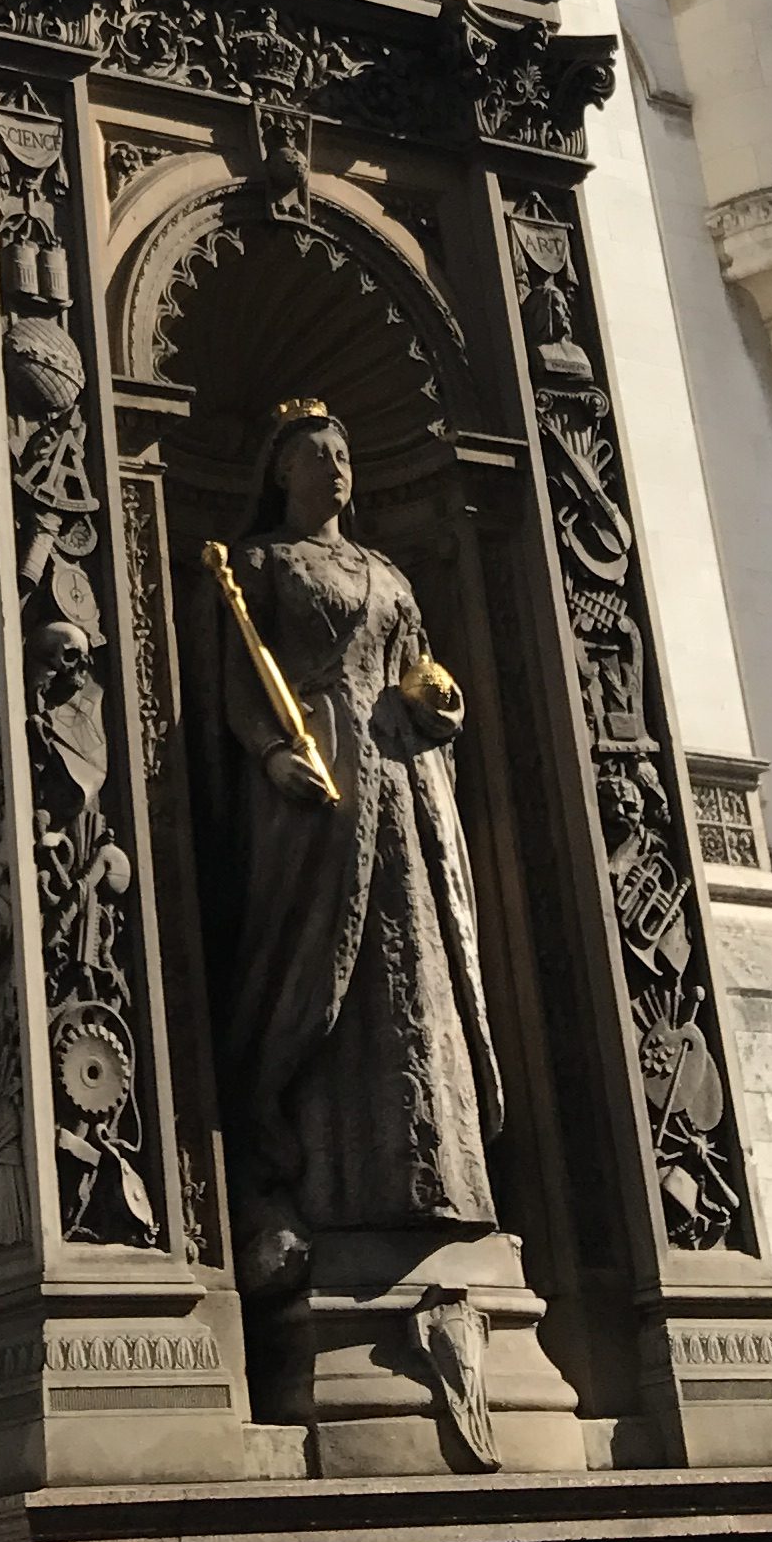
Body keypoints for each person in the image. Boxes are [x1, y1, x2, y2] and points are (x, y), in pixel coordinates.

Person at [195, 400, 502, 1291]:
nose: (335, 466)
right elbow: (238, 687)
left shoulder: (387, 572)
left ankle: (433, 1174)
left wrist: (436, 702)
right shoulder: (256, 564)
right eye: (315, 455)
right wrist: (271, 752)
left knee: (416, 960)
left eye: (343, 452)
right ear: (280, 472)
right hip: (312, 792)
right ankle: (310, 1175)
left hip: (402, 788)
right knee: (311, 963)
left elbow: (419, 669)